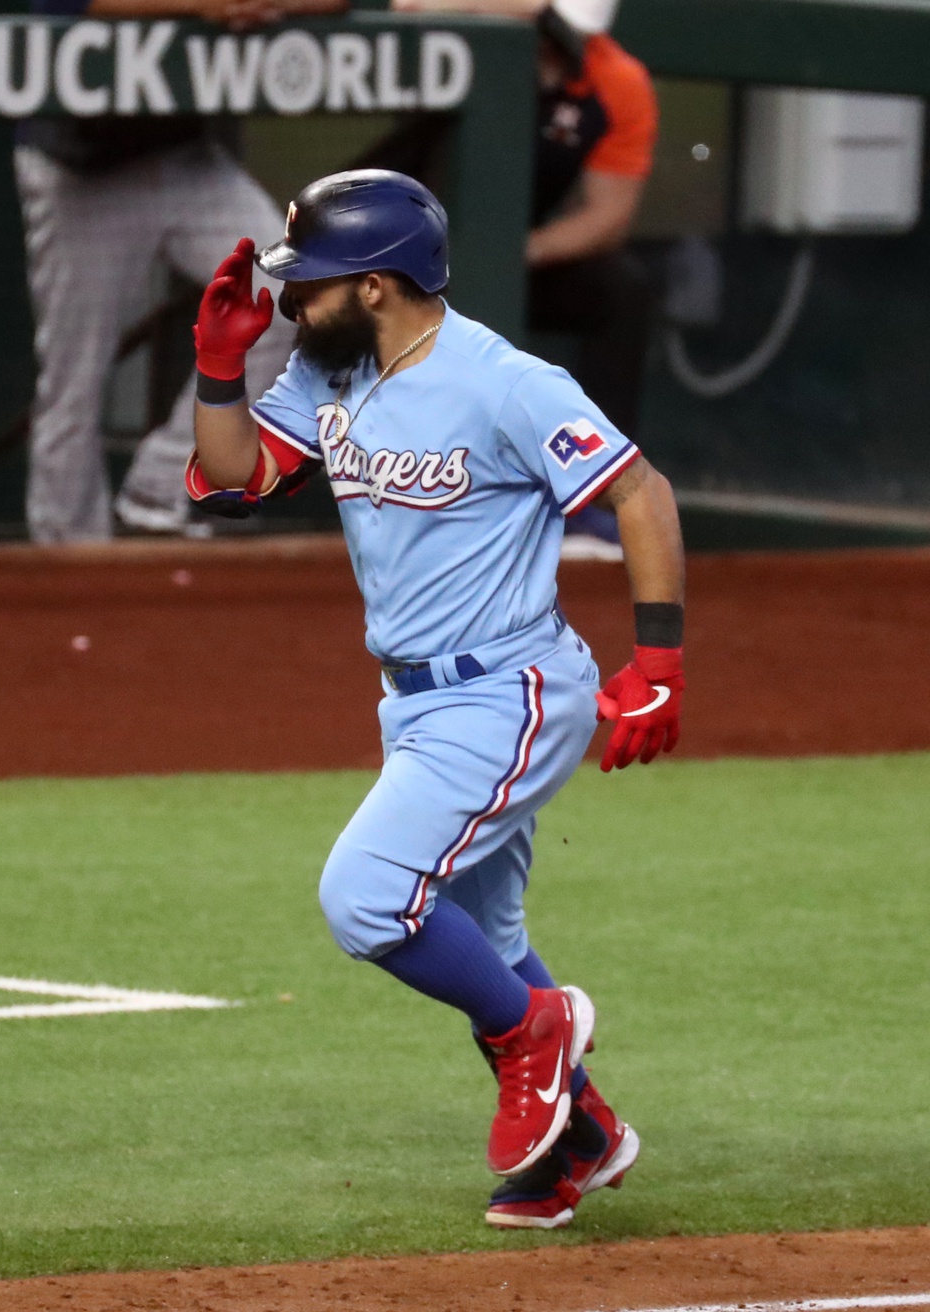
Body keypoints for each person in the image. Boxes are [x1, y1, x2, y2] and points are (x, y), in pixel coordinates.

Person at [185, 170, 686, 1229]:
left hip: (510, 690)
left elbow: (640, 491)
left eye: (307, 284)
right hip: (415, 704)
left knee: (365, 895)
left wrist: (661, 663)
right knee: (480, 934)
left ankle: (537, 1036)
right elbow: (233, 478)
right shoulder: (333, 374)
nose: (290, 301)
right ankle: (581, 1142)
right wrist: (220, 368)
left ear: (374, 285)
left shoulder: (502, 382)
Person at [16, 0, 345, 544]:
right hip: (82, 165)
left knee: (284, 292)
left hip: (183, 154)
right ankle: (64, 559)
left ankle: (161, 486)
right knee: (75, 379)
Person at [381, 0, 658, 549]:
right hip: (399, 243)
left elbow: (608, 217)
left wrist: (508, 255)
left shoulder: (616, 80)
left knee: (622, 289)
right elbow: (404, 6)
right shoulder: (477, 26)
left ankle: (593, 493)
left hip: (511, 255)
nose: (562, 41)